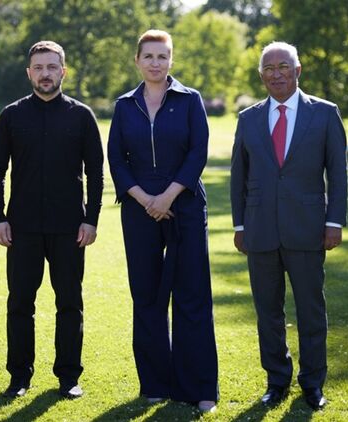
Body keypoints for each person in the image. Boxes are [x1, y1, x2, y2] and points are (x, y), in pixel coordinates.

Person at [229, 41, 348, 410]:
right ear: (261, 75)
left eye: (283, 66)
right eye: (269, 68)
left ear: (298, 70)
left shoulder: (325, 114)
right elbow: (238, 177)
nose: (276, 73)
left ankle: (313, 384)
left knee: (311, 311)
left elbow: (338, 174)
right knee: (268, 313)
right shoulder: (248, 118)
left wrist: (334, 222)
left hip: (308, 229)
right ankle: (276, 381)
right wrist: (239, 226)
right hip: (260, 230)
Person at [107, 29, 218, 413]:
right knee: (147, 296)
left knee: (192, 296)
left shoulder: (190, 100)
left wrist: (168, 196)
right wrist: (145, 199)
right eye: (149, 56)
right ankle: (155, 383)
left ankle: (199, 389)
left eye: (162, 56)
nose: (156, 63)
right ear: (137, 60)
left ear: (171, 60)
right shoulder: (125, 106)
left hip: (184, 207)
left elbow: (198, 152)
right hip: (138, 210)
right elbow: (116, 159)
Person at [0, 40, 104, 400]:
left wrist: (91, 220)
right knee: (20, 303)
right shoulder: (11, 115)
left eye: (52, 67)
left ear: (63, 71)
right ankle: (19, 377)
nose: (45, 74)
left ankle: (68, 377)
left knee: (69, 303)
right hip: (21, 228)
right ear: (29, 73)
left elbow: (96, 173)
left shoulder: (82, 116)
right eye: (38, 68)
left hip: (70, 228)